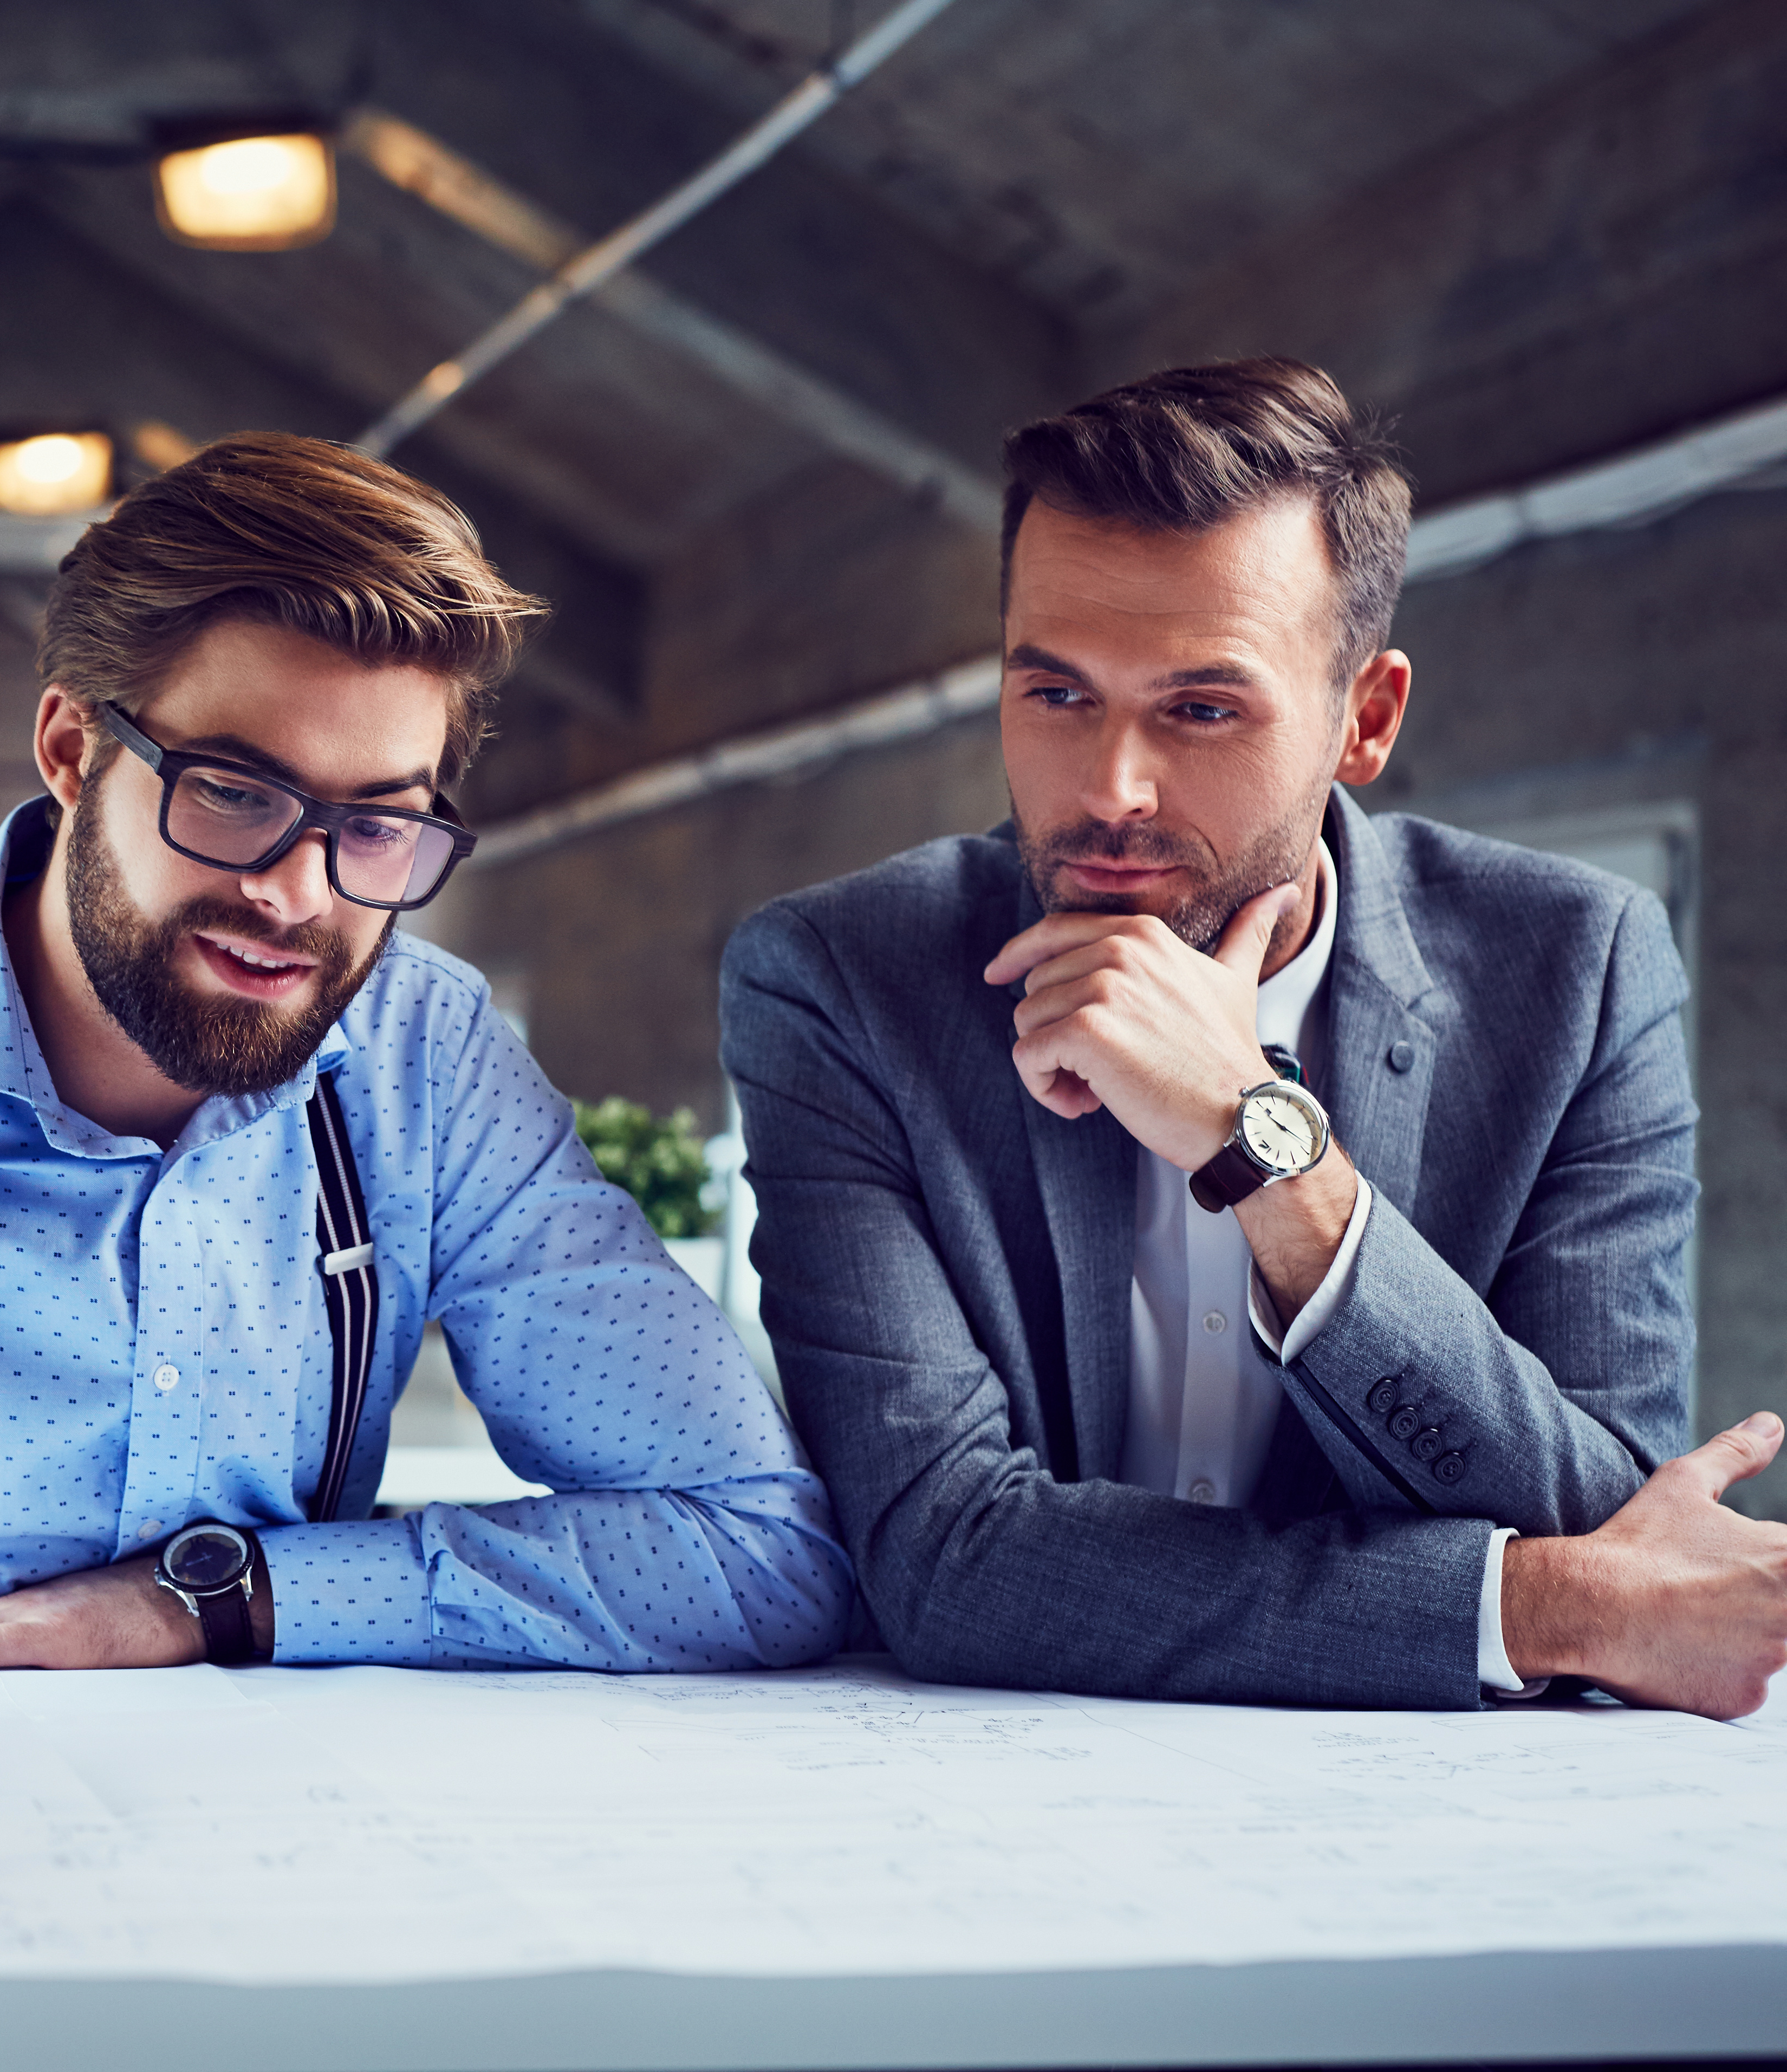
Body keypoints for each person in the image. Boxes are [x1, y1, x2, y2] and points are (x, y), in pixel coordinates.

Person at [0, 431, 853, 1918]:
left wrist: (220, 1600)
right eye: (236, 792)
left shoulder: (422, 1057)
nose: (295, 894)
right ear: (71, 750)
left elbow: (750, 1543)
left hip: (293, 1879)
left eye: (374, 823)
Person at [723, 358, 1787, 1716]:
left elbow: (1605, 1497)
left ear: (1367, 718)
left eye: (1201, 708)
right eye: (1054, 694)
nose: (1108, 791)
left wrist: (1263, 1146)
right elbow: (941, 1554)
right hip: (971, 1797)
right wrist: (1540, 1604)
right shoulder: (840, 980)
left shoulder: (1577, 968)